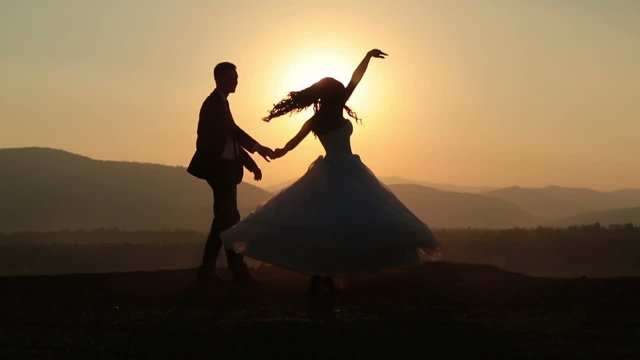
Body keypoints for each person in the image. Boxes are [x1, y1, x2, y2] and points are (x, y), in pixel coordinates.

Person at [221, 49, 438, 309]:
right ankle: (325, 277)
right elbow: (354, 81)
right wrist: (367, 57)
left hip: (334, 172)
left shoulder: (317, 119)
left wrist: (277, 153)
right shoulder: (330, 112)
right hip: (346, 171)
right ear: (335, 94)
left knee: (325, 225)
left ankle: (321, 277)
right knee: (343, 223)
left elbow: (292, 144)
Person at [187, 62, 273, 284]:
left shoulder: (220, 103)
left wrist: (250, 163)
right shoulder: (214, 105)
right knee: (231, 221)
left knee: (222, 221)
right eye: (232, 77)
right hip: (219, 171)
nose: (236, 81)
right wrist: (257, 148)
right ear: (219, 79)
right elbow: (233, 133)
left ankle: (208, 271)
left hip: (223, 171)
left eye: (236, 77)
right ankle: (238, 271)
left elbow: (230, 139)